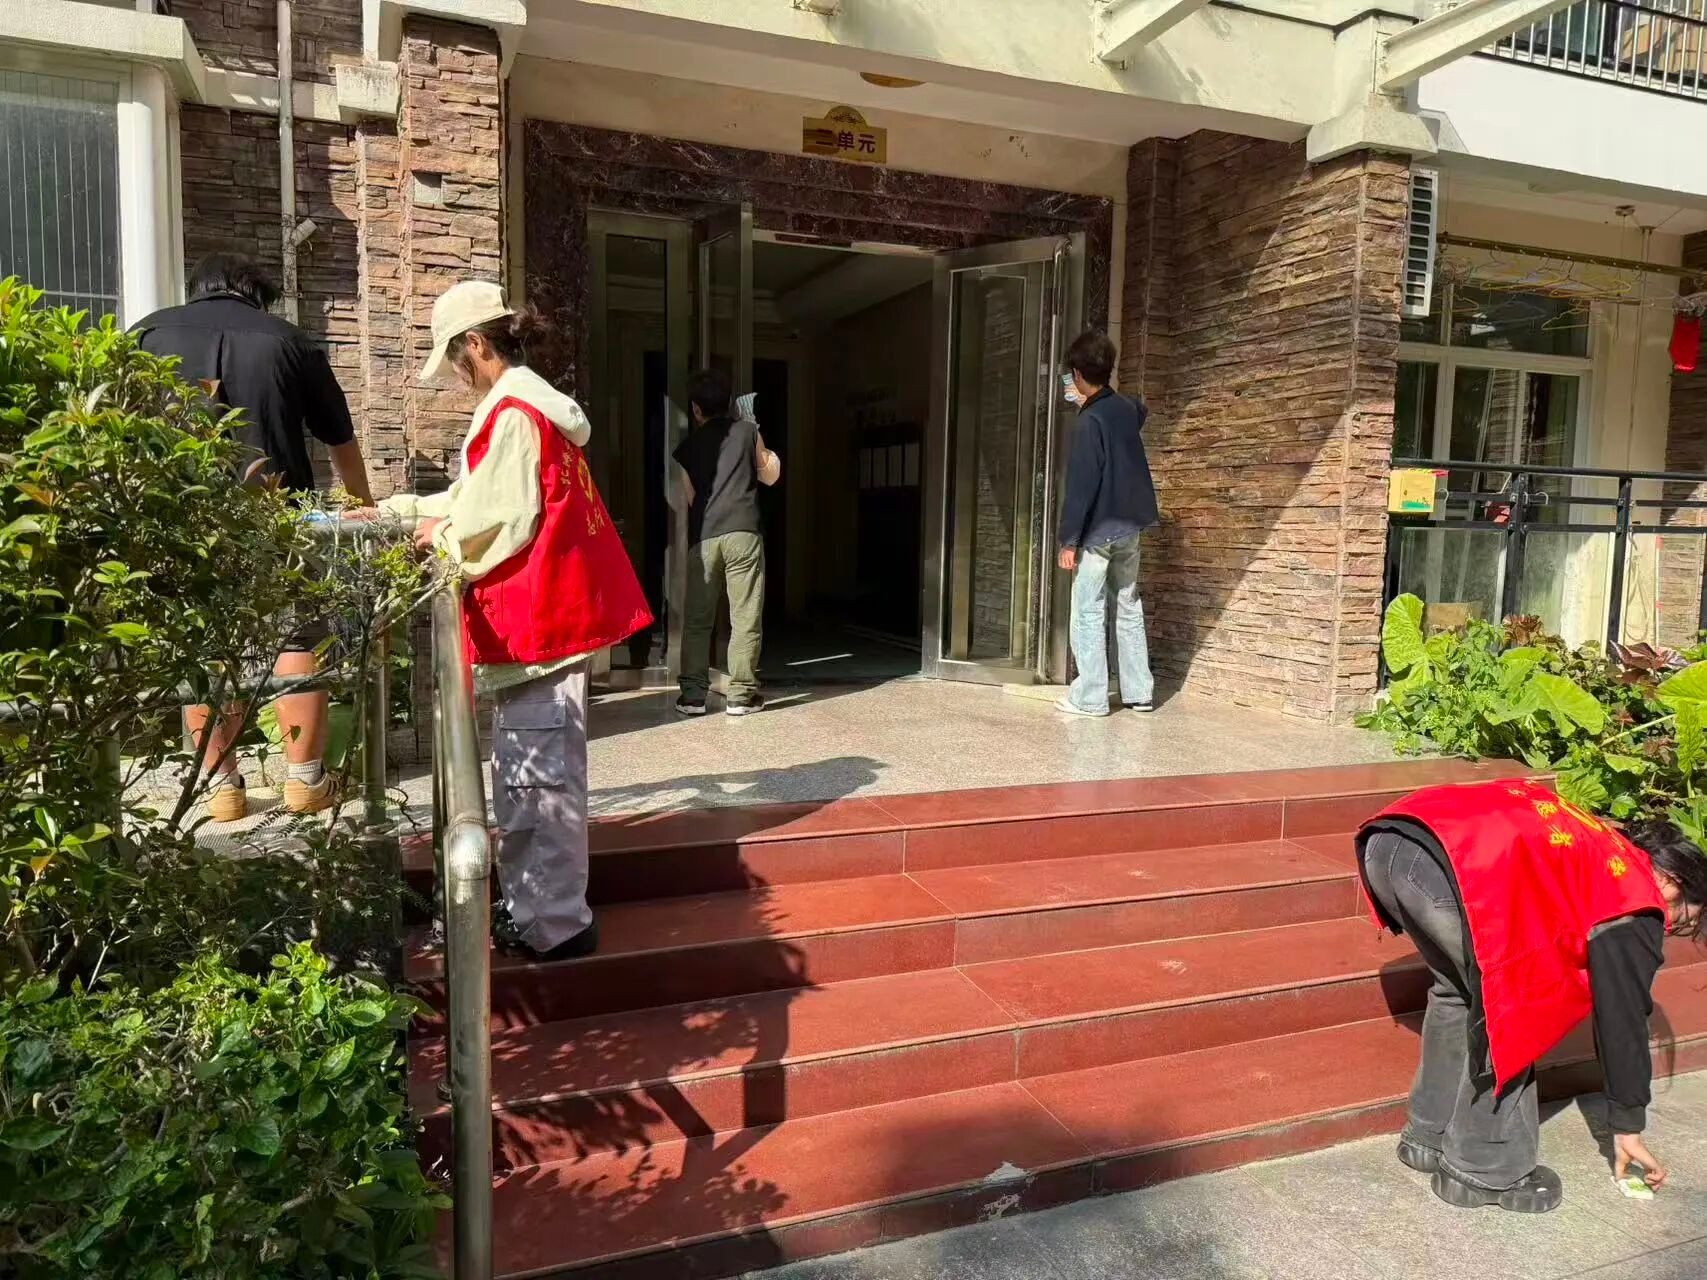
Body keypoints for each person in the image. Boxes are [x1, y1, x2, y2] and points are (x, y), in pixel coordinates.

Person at [378, 280, 652, 961]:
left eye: (455, 359)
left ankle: (552, 927)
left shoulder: (512, 415)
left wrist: (437, 539)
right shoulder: (531, 407)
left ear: (476, 344)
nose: (457, 376)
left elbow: (496, 518)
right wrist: (399, 513)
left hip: (540, 626)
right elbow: (475, 500)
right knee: (533, 776)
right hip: (546, 625)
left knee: (537, 783)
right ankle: (541, 915)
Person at [1357, 778, 1706, 1212]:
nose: (1667, 928)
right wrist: (1628, 1126)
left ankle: (1427, 1138)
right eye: (1682, 920)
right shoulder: (1634, 894)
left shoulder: (1599, 847)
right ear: (1672, 881)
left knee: (1458, 995)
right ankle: (1483, 1168)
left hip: (1390, 839)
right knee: (1517, 1011)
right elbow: (1622, 1018)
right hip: (1449, 862)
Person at [133, 253, 376, 821]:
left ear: (196, 289)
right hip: (278, 520)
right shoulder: (290, 341)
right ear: (256, 294)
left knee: (204, 645)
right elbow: (340, 440)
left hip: (185, 523)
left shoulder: (146, 335)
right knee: (298, 638)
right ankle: (305, 780)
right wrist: (362, 507)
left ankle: (221, 787)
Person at [1053, 330, 1159, 719]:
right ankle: (1139, 693)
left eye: (1071, 376)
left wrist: (1069, 540)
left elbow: (1081, 487)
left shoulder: (1089, 422)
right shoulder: (1127, 408)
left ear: (1079, 374)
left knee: (1088, 609)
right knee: (1128, 603)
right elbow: (1140, 412)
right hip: (1131, 523)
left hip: (1099, 530)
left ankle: (1090, 698)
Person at [670, 369, 781, 717]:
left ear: (695, 409)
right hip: (744, 531)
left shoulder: (687, 449)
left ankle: (692, 697)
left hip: (705, 536)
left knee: (698, 620)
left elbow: (690, 498)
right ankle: (741, 696)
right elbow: (769, 474)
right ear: (729, 402)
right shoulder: (748, 431)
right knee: (744, 615)